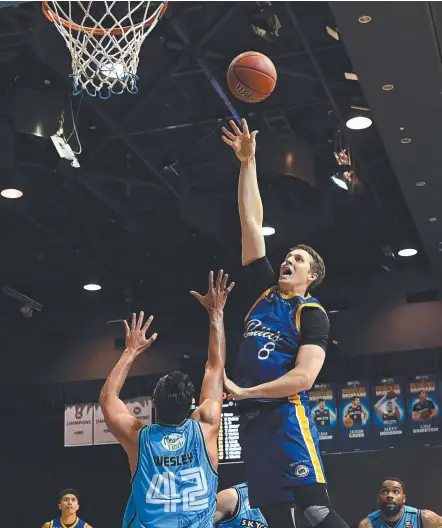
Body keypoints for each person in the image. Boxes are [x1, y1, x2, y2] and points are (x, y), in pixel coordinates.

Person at [221, 119, 348, 528]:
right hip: (252, 427)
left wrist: (247, 392)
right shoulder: (262, 291)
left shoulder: (311, 313)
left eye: (298, 260)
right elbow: (251, 221)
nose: (288, 260)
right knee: (277, 519)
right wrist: (248, 162)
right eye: (288, 256)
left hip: (285, 418)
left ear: (311, 276)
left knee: (315, 511)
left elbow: (303, 378)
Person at [100, 270, 234, 528]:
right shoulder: (206, 426)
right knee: (241, 497)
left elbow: (108, 397)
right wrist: (216, 313)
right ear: (193, 404)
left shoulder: (139, 437)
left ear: (153, 401)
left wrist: (130, 351)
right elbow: (215, 368)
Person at [358, 478, 442, 528]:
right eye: (384, 491)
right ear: (378, 498)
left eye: (396, 491)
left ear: (404, 498)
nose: (390, 495)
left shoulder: (423, 518)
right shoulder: (367, 525)